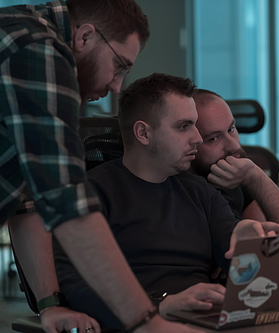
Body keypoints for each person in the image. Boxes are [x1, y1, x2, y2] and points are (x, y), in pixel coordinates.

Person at [1, 1, 196, 332]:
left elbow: (28, 199)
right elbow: (67, 202)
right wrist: (147, 322)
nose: (117, 85)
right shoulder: (38, 48)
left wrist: (49, 304)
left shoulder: (22, 35)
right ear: (85, 37)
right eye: (119, 65)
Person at [53, 73, 279, 330]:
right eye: (184, 126)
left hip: (203, 319)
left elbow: (232, 251)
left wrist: (245, 241)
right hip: (139, 323)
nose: (197, 137)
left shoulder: (200, 191)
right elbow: (74, 286)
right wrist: (157, 306)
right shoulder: (91, 193)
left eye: (195, 125)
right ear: (143, 133)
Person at [191, 89, 279, 233]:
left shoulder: (234, 173)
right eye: (213, 138)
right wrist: (255, 176)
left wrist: (254, 176)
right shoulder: (191, 195)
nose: (233, 146)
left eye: (231, 129)